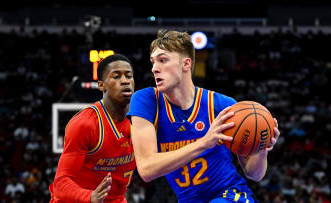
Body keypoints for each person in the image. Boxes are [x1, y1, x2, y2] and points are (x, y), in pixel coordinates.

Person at [127, 29, 280, 203]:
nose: (154, 68)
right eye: (153, 62)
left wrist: (261, 149)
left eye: (163, 60)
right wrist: (204, 143)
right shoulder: (146, 100)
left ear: (186, 64)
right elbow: (147, 169)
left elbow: (254, 174)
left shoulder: (222, 106)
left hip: (231, 196)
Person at [49, 54, 136, 203]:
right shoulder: (85, 124)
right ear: (101, 85)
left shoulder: (141, 120)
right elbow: (60, 184)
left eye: (129, 76)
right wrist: (89, 197)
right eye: (116, 77)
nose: (125, 80)